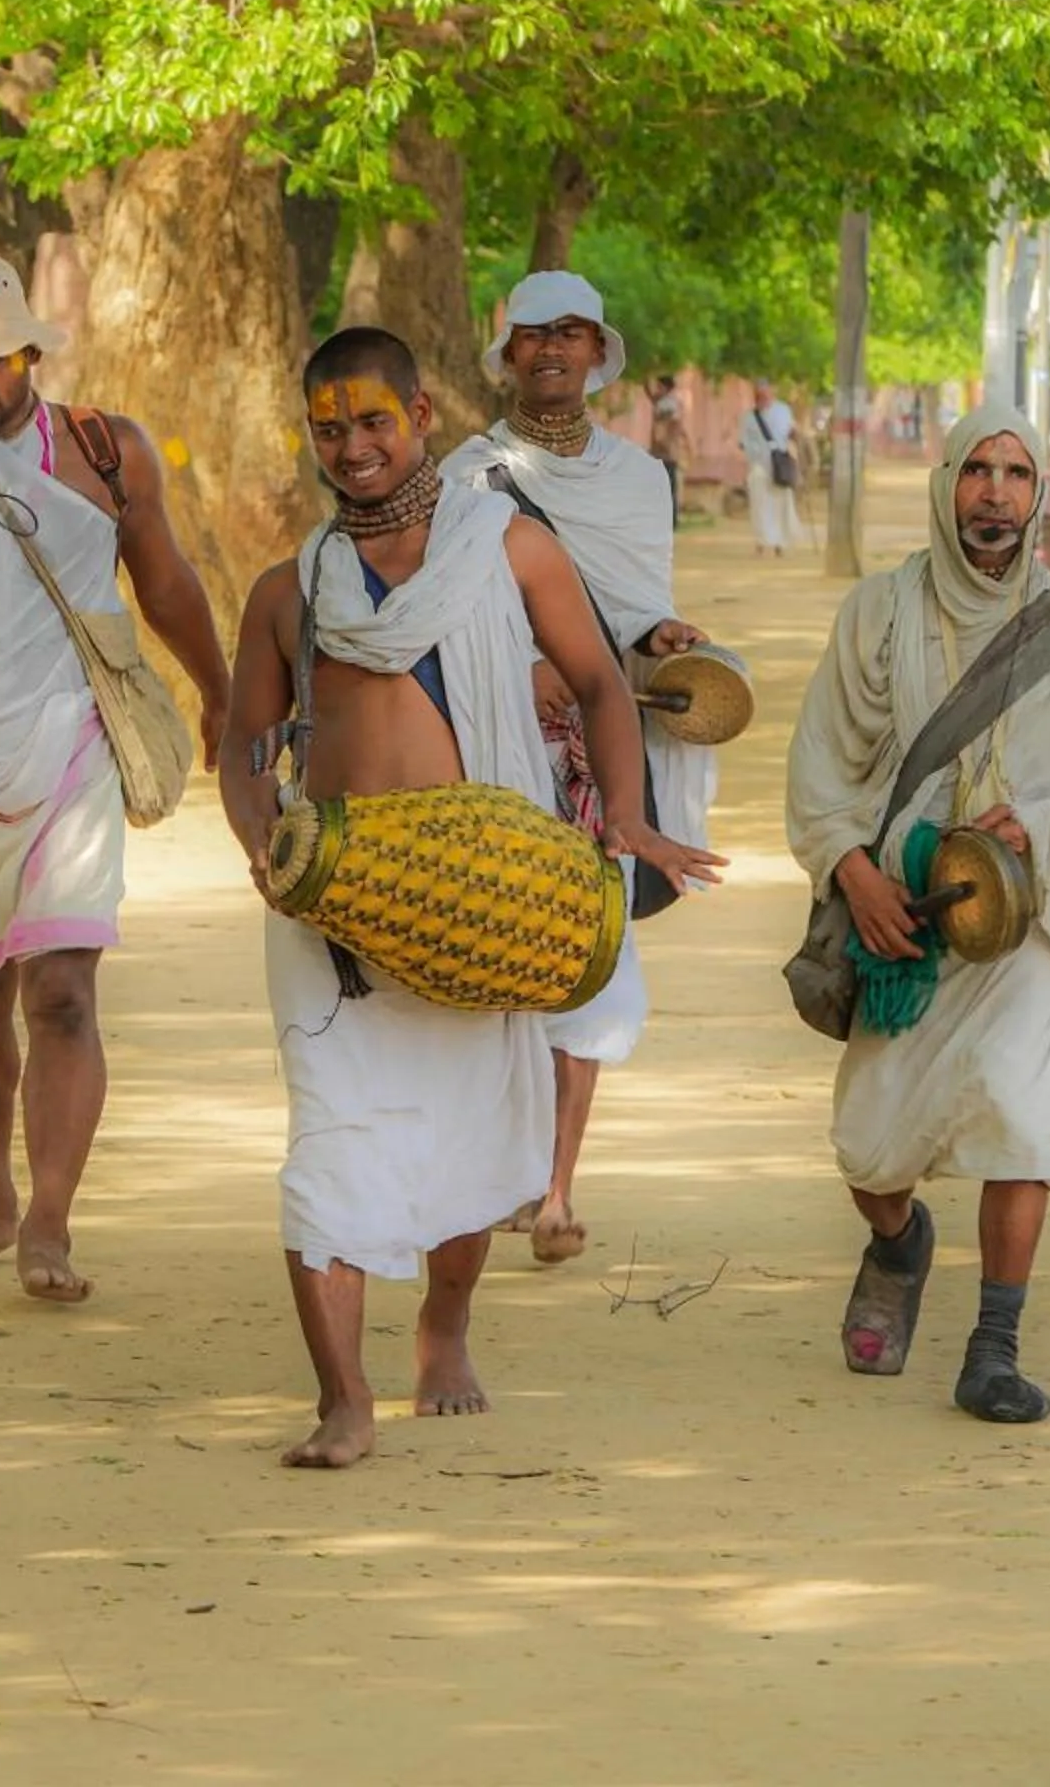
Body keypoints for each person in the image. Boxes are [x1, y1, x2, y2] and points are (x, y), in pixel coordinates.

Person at [223, 327, 719, 1467]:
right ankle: (341, 1395)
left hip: (486, 900)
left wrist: (631, 825)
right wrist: (264, 843)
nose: (352, 446)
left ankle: (443, 1327)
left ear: (421, 417)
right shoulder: (287, 590)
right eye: (329, 427)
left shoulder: (510, 547)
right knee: (328, 1149)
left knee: (470, 1132)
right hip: (332, 917)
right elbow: (246, 744)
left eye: (373, 421)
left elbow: (599, 680)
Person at [0, 255, 231, 1304]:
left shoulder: (104, 450)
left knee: (60, 990)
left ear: (29, 354)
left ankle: (50, 1219)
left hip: (68, 744)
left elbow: (164, 581)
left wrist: (221, 688)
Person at [785, 402, 1050, 1425]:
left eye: (1016, 474)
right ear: (947, 485)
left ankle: (994, 1344)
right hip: (899, 917)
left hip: (1017, 925)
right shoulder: (881, 612)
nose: (995, 491)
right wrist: (855, 874)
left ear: (1037, 497)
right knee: (866, 1148)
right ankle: (899, 1240)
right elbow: (822, 765)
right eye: (978, 469)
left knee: (1021, 1121)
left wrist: (1035, 820)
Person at [440, 271, 717, 1267]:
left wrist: (663, 634)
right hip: (500, 746)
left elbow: (636, 618)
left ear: (600, 354)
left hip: (602, 755)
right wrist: (523, 664)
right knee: (498, 954)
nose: (552, 351)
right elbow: (452, 617)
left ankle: (555, 1190)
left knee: (593, 950)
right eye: (533, 335)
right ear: (506, 352)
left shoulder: (643, 480)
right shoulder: (463, 479)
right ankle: (503, 1173)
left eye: (572, 334)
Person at [738, 379, 810, 557]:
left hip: (780, 465)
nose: (762, 398)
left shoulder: (783, 411)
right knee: (759, 504)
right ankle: (761, 542)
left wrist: (796, 437)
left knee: (781, 504)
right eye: (758, 395)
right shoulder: (749, 417)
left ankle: (780, 543)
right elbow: (743, 442)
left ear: (771, 394)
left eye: (765, 394)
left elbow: (792, 431)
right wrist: (754, 453)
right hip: (758, 467)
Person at [645, 372, 689, 523]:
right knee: (669, 485)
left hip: (665, 451)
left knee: (666, 485)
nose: (657, 389)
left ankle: (667, 518)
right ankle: (670, 518)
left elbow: (664, 425)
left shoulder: (667, 404)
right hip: (668, 451)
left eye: (660, 386)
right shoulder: (673, 402)